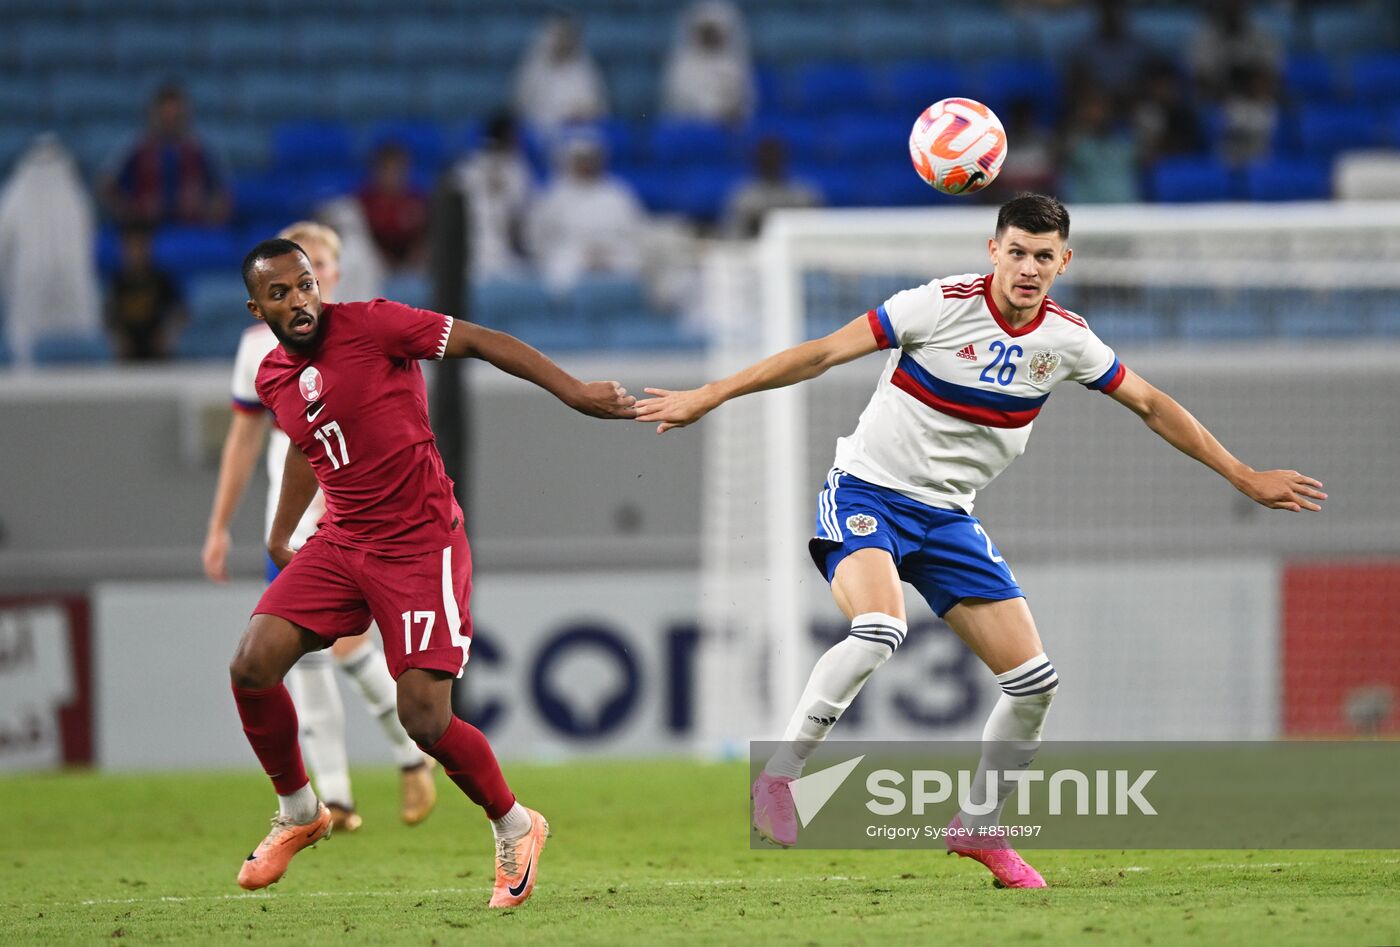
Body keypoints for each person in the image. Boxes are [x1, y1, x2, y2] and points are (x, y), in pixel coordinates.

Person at [634, 193, 1325, 887]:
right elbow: (819, 354)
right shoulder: (935, 305)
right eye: (1016, 251)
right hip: (867, 492)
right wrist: (707, 394)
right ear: (993, 249)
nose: (1028, 268)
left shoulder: (1067, 340)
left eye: (1043, 256)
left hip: (948, 518)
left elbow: (1150, 404)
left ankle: (980, 826)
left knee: (1034, 684)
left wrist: (1242, 474)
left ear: (1065, 261)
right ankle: (780, 777)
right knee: (878, 628)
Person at [228, 237, 635, 906]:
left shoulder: (373, 323)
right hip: (342, 541)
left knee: (424, 716)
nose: (299, 300)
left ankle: (516, 824)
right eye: (281, 294)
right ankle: (301, 810)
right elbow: (310, 440)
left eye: (304, 285)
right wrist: (280, 528)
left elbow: (479, 339)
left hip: (420, 543)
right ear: (257, 307)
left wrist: (573, 391)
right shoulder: (272, 374)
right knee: (251, 664)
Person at [204, 222, 435, 833]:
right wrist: (221, 525)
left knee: (350, 648)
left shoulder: (361, 332)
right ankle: (337, 799)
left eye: (324, 267)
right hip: (293, 508)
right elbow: (247, 438)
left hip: (358, 510)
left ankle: (410, 757)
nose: (316, 282)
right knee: (298, 663)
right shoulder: (258, 350)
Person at [0, 134, 102, 367]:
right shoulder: (18, 194)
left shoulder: (76, 197)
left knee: (79, 352)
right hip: (29, 291)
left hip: (71, 292)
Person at [526, 133, 646, 293]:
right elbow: (538, 238)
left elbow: (635, 231)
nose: (587, 165)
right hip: (571, 255)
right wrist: (580, 254)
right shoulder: (554, 196)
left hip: (614, 253)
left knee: (634, 267)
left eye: (591, 159)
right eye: (581, 160)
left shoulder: (617, 193)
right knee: (559, 272)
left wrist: (605, 254)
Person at [99, 82, 229, 227]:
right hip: (146, 231)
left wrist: (210, 212)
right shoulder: (136, 148)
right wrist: (127, 211)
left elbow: (221, 194)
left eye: (176, 116)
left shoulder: (200, 150)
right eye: (165, 115)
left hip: (191, 228)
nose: (170, 122)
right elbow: (105, 187)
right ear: (154, 115)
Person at [454, 112, 533, 281]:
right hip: (473, 241)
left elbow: (519, 211)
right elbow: (458, 207)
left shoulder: (517, 168)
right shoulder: (471, 167)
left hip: (505, 244)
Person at [661, 0, 755, 126]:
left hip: (727, 130)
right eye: (707, 31)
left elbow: (746, 104)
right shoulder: (682, 67)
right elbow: (676, 106)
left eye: (715, 31)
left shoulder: (736, 65)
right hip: (693, 130)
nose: (711, 36)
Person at [105, 223, 185, 361]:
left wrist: (167, 334)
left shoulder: (161, 280)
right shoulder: (117, 283)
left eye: (140, 246)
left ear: (148, 248)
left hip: (157, 350)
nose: (136, 253)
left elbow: (181, 312)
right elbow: (108, 317)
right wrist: (118, 338)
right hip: (128, 353)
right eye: (131, 247)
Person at [513, 16, 609, 130]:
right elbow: (520, 107)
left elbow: (600, 107)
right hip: (541, 133)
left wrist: (582, 112)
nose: (564, 42)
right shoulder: (532, 72)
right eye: (559, 37)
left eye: (567, 37)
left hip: (579, 131)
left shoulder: (585, 70)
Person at [722, 137, 822, 239]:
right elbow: (733, 236)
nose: (770, 160)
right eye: (766, 157)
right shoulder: (744, 197)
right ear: (757, 159)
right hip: (754, 250)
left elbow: (816, 230)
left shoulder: (802, 194)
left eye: (775, 156)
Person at [357, 142, 429, 270]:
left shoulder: (416, 200)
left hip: (412, 266)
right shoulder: (364, 201)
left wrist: (414, 258)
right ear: (376, 171)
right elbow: (364, 238)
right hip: (376, 264)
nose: (392, 176)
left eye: (397, 170)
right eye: (387, 170)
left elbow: (426, 236)